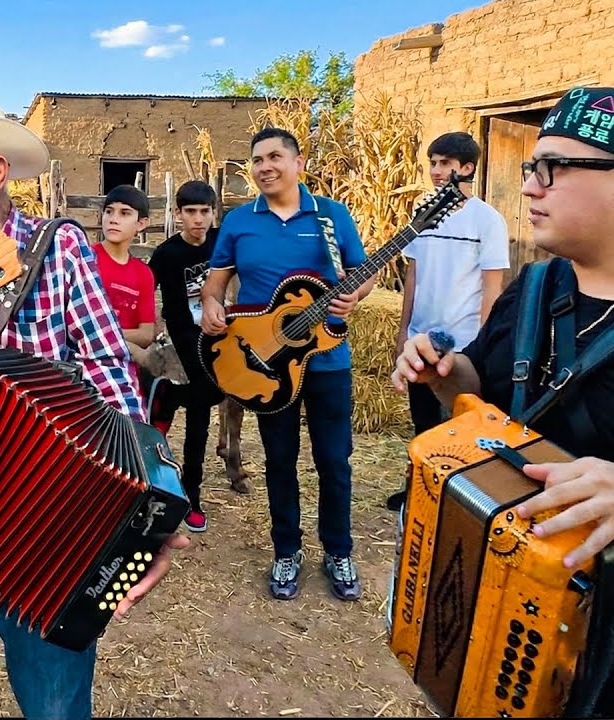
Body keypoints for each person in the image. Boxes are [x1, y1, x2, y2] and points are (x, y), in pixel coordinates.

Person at [0, 96, 190, 720]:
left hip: (47, 526)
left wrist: (155, 493)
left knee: (54, 704)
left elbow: (107, 367)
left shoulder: (60, 248)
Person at [393, 86, 614, 716]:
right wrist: (442, 371)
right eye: (530, 168)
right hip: (504, 619)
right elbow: (483, 393)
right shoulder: (535, 288)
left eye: (553, 168)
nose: (529, 187)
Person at [199, 127, 374, 602]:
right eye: (257, 160)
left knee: (334, 461)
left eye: (275, 157)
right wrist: (212, 305)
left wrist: (355, 295)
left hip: (327, 360)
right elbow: (215, 283)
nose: (265, 167)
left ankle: (338, 550)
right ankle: (286, 551)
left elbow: (363, 273)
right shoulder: (239, 221)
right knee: (279, 460)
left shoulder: (332, 216)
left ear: (299, 163)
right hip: (267, 366)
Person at [385, 131, 509, 511]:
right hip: (420, 339)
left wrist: (483, 345)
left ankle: (454, 503)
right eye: (433, 163)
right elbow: (413, 275)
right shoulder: (423, 213)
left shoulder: (487, 220)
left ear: (467, 168)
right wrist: (403, 331)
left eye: (445, 164)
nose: (436, 171)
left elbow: (492, 287)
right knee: (422, 424)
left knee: (456, 429)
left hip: (463, 343)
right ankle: (417, 492)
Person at [146, 180, 236, 533]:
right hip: (177, 348)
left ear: (214, 213)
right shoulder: (166, 254)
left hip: (214, 346)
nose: (198, 219)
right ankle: (154, 483)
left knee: (199, 423)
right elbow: (144, 291)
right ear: (178, 214)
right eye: (190, 212)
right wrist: (149, 328)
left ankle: (192, 496)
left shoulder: (221, 244)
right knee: (161, 417)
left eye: (204, 211)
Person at [93, 184, 157, 390]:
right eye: (109, 211)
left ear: (141, 223)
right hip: (84, 368)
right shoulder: (86, 260)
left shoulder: (143, 274)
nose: (113, 219)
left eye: (125, 213)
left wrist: (103, 334)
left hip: (125, 374)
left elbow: (146, 334)